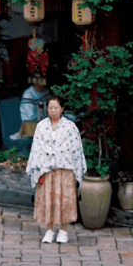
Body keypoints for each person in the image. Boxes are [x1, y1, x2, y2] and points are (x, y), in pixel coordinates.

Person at [26, 94, 87, 244]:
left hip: (65, 169)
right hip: (47, 169)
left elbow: (76, 149)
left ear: (62, 109)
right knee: (48, 199)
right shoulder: (41, 126)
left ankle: (64, 230)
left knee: (65, 199)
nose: (53, 111)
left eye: (56, 108)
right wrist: (38, 167)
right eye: (50, 108)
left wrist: (76, 169)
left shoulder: (70, 127)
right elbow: (36, 148)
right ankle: (49, 230)